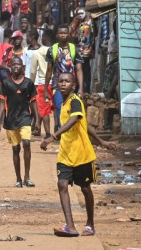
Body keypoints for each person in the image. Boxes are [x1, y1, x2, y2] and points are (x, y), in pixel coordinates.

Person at [40, 72, 116, 237]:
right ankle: (70, 225)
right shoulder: (64, 102)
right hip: (66, 153)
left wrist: (52, 136)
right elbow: (85, 125)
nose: (63, 84)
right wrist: (101, 141)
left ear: (73, 85)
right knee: (62, 185)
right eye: (60, 81)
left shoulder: (75, 101)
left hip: (82, 154)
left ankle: (90, 224)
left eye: (67, 81)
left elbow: (75, 120)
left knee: (85, 189)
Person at [0, 57, 40, 188]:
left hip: (25, 117)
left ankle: (27, 177)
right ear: (10, 66)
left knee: (26, 143)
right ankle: (18, 178)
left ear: (22, 67)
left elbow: (33, 101)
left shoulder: (28, 83)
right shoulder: (7, 83)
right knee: (15, 149)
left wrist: (37, 119)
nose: (15, 66)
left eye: (18, 64)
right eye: (13, 64)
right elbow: (3, 103)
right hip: (10, 120)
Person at [44, 24, 84, 130]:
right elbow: (49, 71)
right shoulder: (52, 50)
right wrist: (45, 89)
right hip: (57, 83)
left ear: (68, 34)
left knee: (71, 107)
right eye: (61, 33)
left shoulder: (75, 49)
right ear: (57, 35)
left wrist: (80, 88)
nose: (63, 35)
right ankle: (62, 130)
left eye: (65, 33)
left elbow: (79, 70)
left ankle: (68, 129)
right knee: (59, 106)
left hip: (72, 83)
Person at [30, 29, 54, 138]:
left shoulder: (37, 53)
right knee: (57, 108)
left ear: (44, 38)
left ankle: (48, 133)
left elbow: (32, 71)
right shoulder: (56, 50)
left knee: (44, 109)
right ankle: (59, 129)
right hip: (56, 83)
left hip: (42, 83)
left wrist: (31, 84)